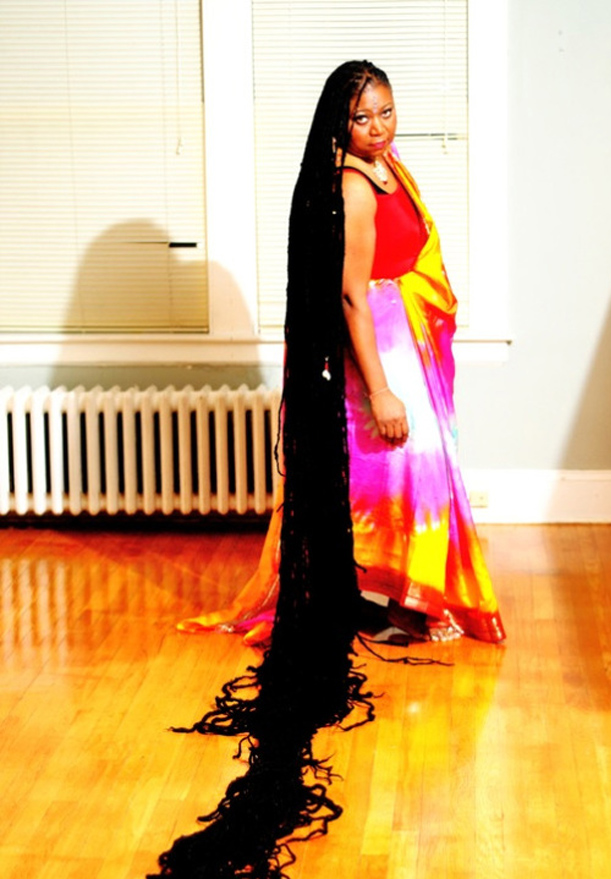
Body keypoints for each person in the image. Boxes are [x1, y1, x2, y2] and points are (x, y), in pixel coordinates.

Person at [179, 60, 505, 647]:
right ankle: (341, 596)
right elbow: (352, 295)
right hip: (374, 347)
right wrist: (380, 390)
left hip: (404, 339)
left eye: (387, 111)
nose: (378, 127)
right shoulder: (353, 187)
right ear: (339, 122)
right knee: (379, 474)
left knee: (416, 473)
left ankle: (405, 600)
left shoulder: (387, 164)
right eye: (362, 118)